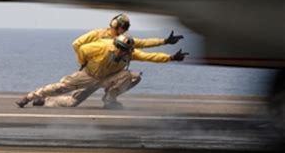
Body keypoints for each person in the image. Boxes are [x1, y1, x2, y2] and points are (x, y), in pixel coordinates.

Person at [31, 13, 184, 106]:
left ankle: (110, 98)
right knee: (72, 102)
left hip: (109, 75)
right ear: (116, 26)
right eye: (123, 27)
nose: (125, 30)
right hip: (91, 73)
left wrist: (165, 43)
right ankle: (45, 100)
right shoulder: (98, 35)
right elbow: (78, 45)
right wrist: (85, 62)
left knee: (134, 77)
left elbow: (143, 47)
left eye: (126, 28)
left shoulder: (124, 42)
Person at [16, 34, 188, 109]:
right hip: (87, 77)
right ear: (115, 45)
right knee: (66, 96)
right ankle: (34, 98)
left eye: (124, 49)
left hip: (107, 79)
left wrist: (170, 57)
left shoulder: (130, 54)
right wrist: (82, 64)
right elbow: (81, 48)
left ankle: (110, 100)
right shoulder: (102, 47)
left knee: (133, 76)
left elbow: (149, 55)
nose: (120, 51)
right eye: (119, 47)